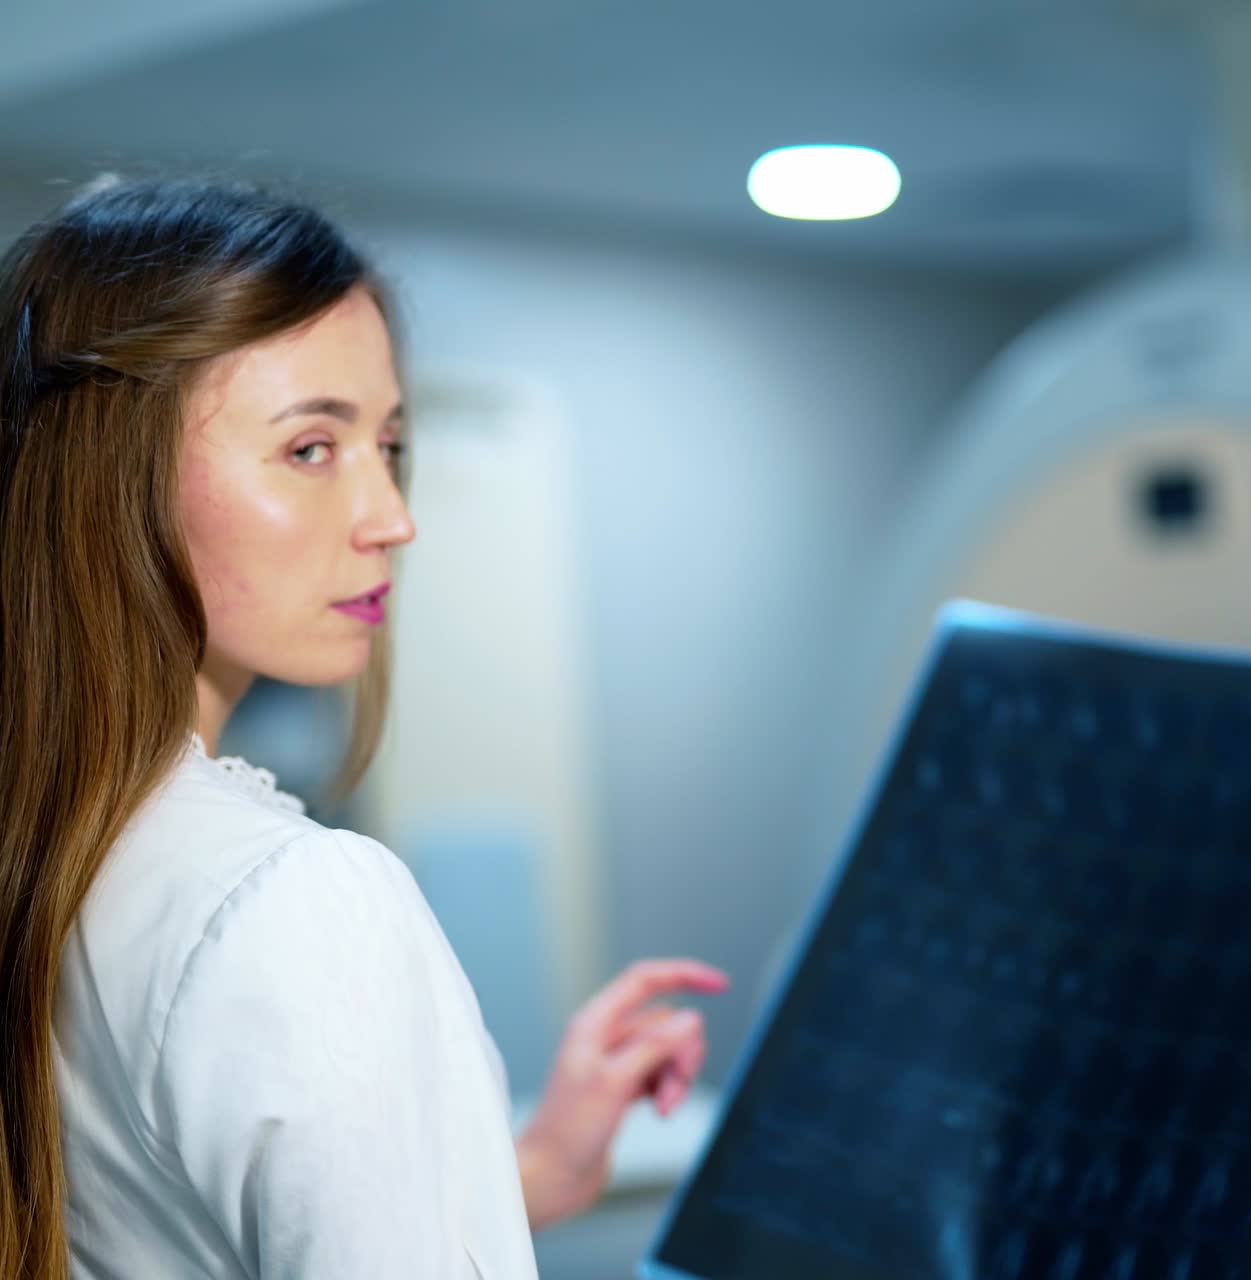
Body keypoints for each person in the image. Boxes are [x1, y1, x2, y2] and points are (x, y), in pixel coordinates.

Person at [0, 176, 728, 1280]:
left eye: (387, 444)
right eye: (309, 448)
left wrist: (509, 1166)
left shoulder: (53, 853)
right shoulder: (302, 903)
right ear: (116, 475)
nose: (392, 516)